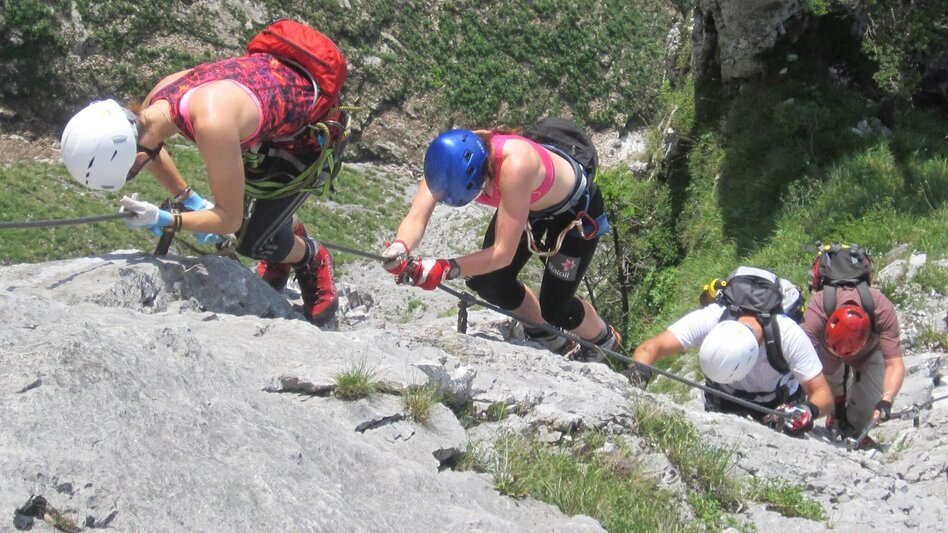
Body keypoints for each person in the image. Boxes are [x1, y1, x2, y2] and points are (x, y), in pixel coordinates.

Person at [59, 25, 347, 326]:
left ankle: (310, 255)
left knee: (250, 242)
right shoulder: (160, 98)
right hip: (278, 112)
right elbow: (150, 147)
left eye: (133, 171)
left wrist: (169, 219)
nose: (139, 169)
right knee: (255, 223)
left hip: (308, 139)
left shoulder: (212, 123)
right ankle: (277, 235)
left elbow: (228, 220)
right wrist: (189, 199)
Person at [381, 128, 619, 361]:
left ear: (484, 175)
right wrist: (401, 248)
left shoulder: (514, 166)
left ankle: (604, 341)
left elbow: (502, 254)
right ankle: (545, 334)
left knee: (556, 306)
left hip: (574, 212)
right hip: (527, 203)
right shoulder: (444, 162)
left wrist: (445, 268)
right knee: (488, 283)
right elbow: (415, 218)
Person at [628, 266, 833, 435]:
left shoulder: (788, 334)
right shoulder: (712, 318)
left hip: (777, 406)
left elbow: (823, 394)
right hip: (721, 398)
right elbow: (651, 347)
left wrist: (808, 411)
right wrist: (638, 375)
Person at [801, 285, 903, 438]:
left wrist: (887, 399)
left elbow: (894, 363)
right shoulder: (818, 309)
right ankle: (835, 415)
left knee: (866, 413)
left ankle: (853, 428)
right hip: (827, 353)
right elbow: (800, 357)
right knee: (827, 393)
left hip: (869, 352)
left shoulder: (882, 310)